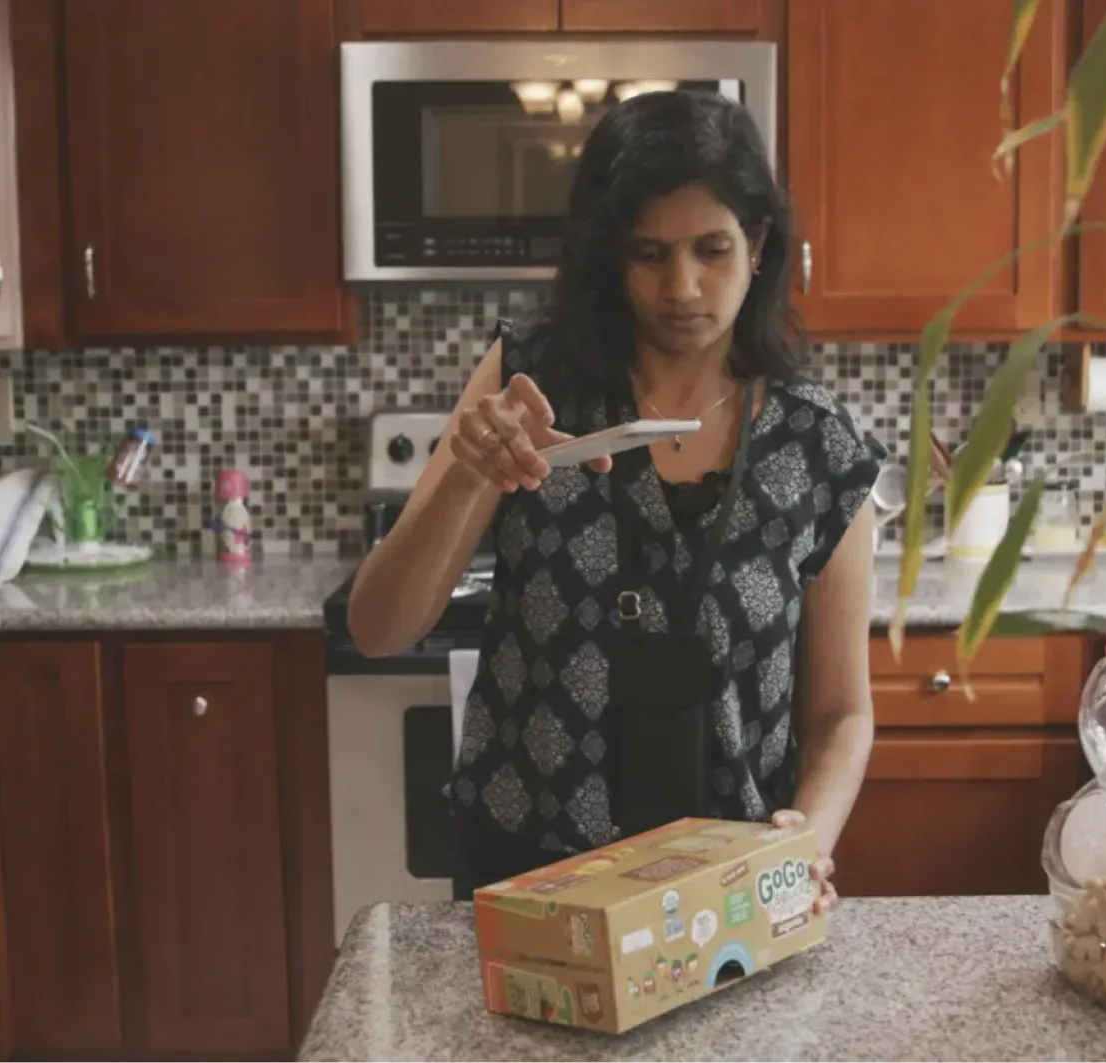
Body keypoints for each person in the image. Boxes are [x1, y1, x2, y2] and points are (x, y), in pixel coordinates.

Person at [348, 89, 881, 915]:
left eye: (713, 249)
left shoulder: (821, 445)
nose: (683, 286)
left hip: (731, 887)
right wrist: (467, 470)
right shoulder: (531, 389)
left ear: (760, 245)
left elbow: (842, 714)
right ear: (611, 257)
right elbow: (377, 628)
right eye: (648, 253)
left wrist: (807, 838)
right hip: (530, 876)